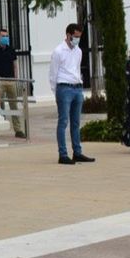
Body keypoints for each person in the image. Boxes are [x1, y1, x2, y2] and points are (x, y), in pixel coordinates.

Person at [48, 25, 95, 166]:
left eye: (79, 37)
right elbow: (53, 74)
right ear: (68, 35)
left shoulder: (78, 51)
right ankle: (63, 154)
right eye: (75, 36)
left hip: (77, 87)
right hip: (64, 88)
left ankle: (77, 152)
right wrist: (56, 91)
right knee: (63, 121)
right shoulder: (58, 51)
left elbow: (76, 68)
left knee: (76, 122)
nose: (77, 39)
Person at [0, 28, 25, 139]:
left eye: (6, 36)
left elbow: (15, 64)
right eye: (3, 36)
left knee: (14, 105)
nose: (5, 38)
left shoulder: (11, 50)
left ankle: (18, 129)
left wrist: (16, 78)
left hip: (11, 80)